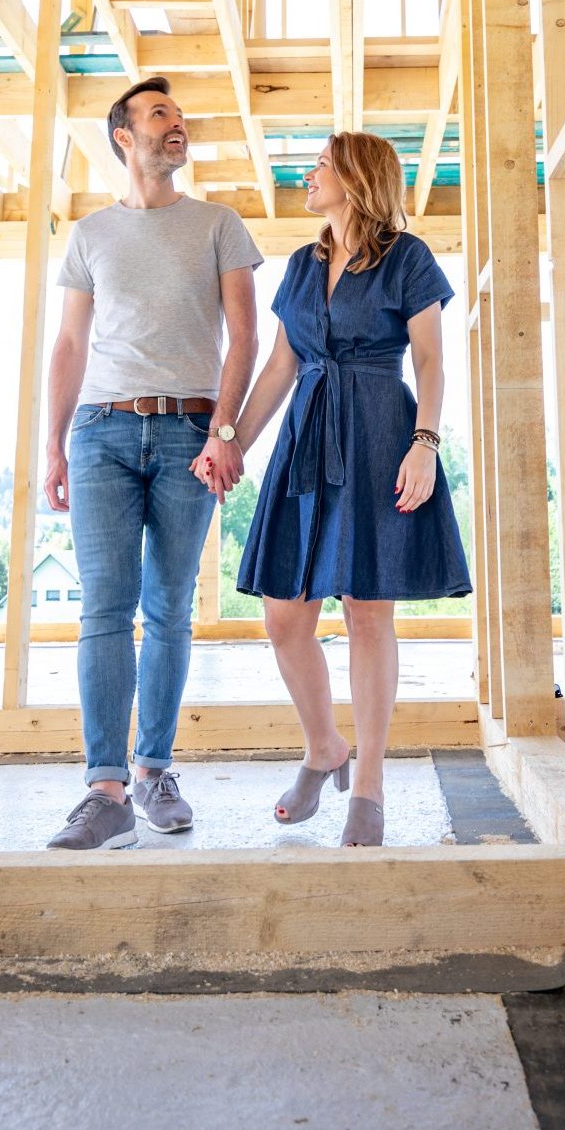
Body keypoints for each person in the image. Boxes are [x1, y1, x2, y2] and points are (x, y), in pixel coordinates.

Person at [203, 132, 470, 847]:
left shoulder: (406, 258)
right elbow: (281, 368)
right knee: (284, 616)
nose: (307, 174)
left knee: (366, 612)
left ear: (354, 179)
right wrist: (228, 443)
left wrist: (425, 442)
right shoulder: (301, 263)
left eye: (320, 164)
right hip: (306, 438)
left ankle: (372, 782)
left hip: (382, 430)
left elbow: (432, 359)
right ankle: (324, 748)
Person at [42, 76, 260, 850]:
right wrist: (53, 443)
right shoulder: (91, 233)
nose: (178, 124)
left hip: (187, 433)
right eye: (160, 115)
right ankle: (106, 791)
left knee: (167, 607)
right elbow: (69, 344)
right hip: (99, 432)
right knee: (104, 607)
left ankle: (154, 770)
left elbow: (245, 337)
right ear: (124, 138)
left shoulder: (218, 224)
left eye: (178, 114)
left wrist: (224, 430)